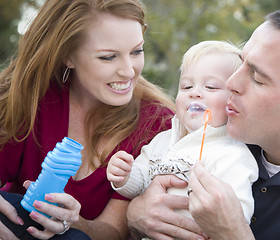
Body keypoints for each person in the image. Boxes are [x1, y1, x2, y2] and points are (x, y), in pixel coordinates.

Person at [126, 8, 280, 240]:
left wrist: (231, 232)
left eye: (257, 78)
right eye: (241, 64)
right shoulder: (220, 129)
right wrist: (136, 215)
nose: (231, 82)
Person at [0, 0, 174, 239]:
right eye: (108, 57)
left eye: (136, 51)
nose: (128, 71)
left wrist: (73, 222)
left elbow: (113, 232)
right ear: (68, 57)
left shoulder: (158, 124)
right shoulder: (31, 97)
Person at [106, 40, 258, 226]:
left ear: (234, 99)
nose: (195, 93)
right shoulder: (162, 140)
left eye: (210, 87)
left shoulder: (232, 154)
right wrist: (125, 176)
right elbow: (140, 185)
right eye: (186, 86)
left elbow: (238, 217)